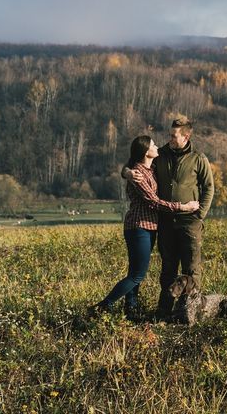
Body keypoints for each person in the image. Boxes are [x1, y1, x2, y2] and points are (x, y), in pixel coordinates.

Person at [89, 135, 198, 319]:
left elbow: (128, 168)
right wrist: (183, 207)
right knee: (137, 275)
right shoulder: (138, 174)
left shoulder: (150, 168)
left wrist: (125, 171)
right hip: (139, 227)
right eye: (153, 144)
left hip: (148, 227)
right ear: (146, 151)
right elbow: (153, 202)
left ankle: (131, 309)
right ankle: (102, 307)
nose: (157, 146)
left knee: (135, 272)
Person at [152, 115, 214, 319]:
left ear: (186, 137)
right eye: (169, 134)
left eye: (173, 136)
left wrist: (200, 215)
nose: (169, 138)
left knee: (192, 269)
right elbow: (136, 164)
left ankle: (193, 312)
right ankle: (164, 311)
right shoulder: (159, 155)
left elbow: (209, 188)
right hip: (167, 222)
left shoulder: (199, 158)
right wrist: (127, 171)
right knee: (168, 267)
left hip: (190, 223)